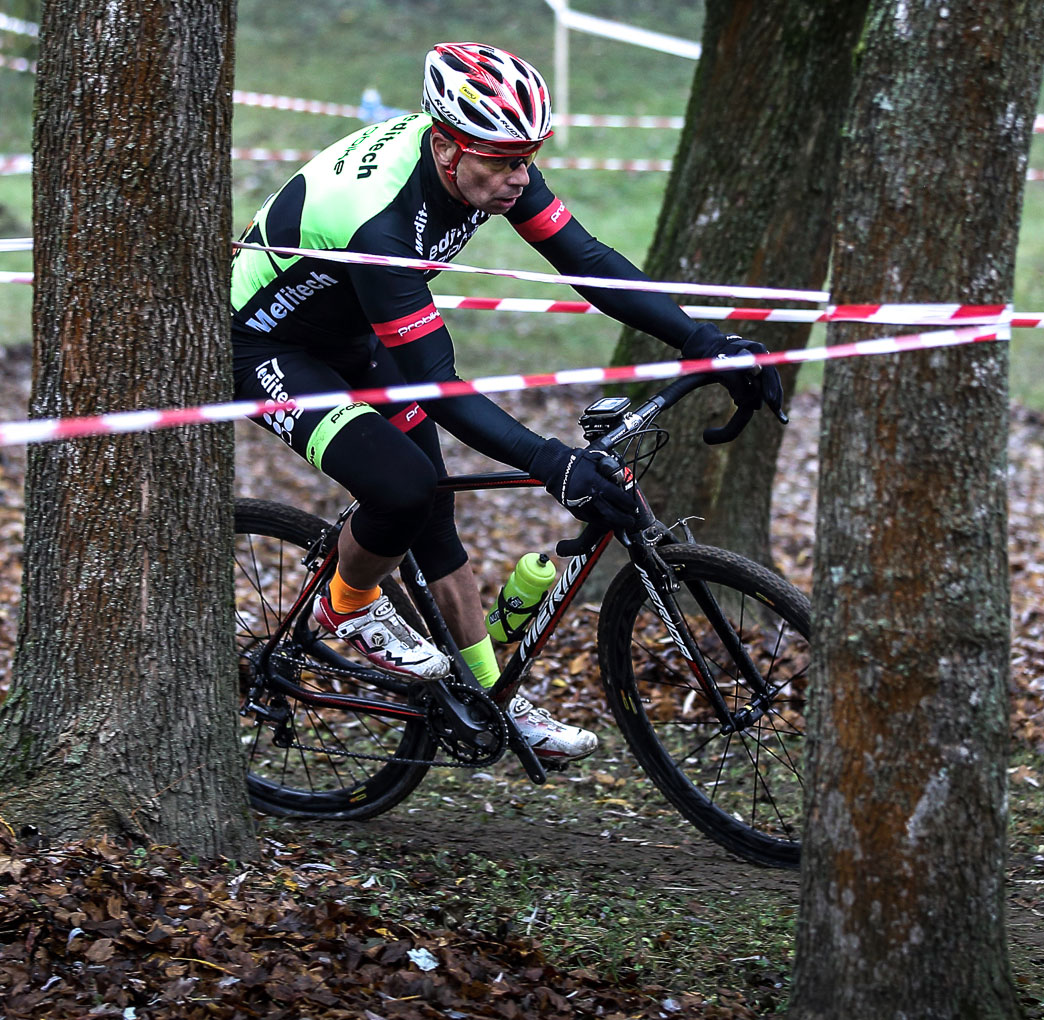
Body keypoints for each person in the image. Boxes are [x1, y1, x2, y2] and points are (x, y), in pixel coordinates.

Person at [231, 42, 783, 764]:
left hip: (353, 329)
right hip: (265, 346)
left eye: (529, 158)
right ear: (444, 147)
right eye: (503, 163)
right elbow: (442, 386)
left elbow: (586, 260)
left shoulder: (487, 163)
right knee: (402, 485)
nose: (518, 179)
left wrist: (704, 341)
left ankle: (492, 698)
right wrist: (554, 462)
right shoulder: (379, 221)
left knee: (434, 522)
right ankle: (350, 605)